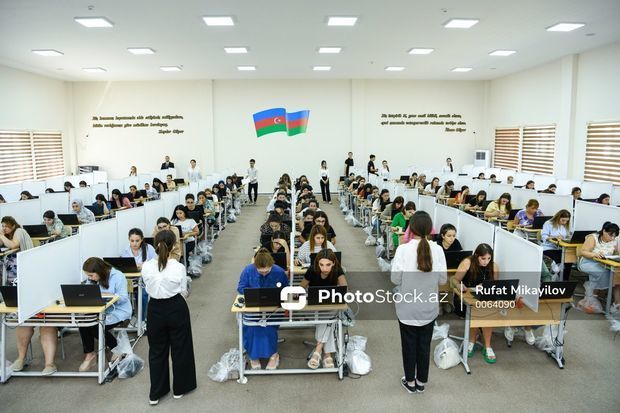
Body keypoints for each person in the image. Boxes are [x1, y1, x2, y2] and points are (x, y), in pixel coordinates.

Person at [391, 211, 447, 393]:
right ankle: (421, 381)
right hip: (429, 307)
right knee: (424, 345)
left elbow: (395, 279)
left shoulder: (403, 249)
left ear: (411, 228)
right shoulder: (438, 250)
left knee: (409, 345)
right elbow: (442, 280)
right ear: (430, 229)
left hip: (407, 308)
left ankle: (410, 382)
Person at [142, 230, 196, 404]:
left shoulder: (146, 266)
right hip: (176, 307)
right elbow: (184, 291)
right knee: (181, 348)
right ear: (173, 246)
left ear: (155, 245)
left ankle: (156, 393)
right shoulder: (178, 267)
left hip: (155, 309)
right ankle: (180, 388)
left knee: (157, 350)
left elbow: (146, 287)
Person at [237, 248, 289, 370]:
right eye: (261, 272)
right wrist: (253, 293)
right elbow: (240, 287)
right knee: (251, 327)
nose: (264, 274)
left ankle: (273, 355)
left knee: (268, 327)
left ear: (271, 265)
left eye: (267, 271)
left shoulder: (279, 271)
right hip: (253, 307)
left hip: (273, 309)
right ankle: (253, 356)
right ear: (255, 266)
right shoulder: (248, 270)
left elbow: (286, 289)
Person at [77, 257, 132, 372]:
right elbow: (88, 293)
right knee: (83, 321)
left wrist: (108, 296)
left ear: (100, 271)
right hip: (100, 311)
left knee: (95, 325)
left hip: (118, 311)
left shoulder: (118, 276)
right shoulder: (92, 279)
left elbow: (123, 298)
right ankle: (90, 354)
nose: (89, 278)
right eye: (88, 275)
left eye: (91, 275)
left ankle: (115, 349)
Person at [451, 244, 500, 363]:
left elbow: (495, 285)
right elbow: (454, 279)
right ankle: (472, 341)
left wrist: (487, 287)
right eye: (483, 258)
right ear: (476, 256)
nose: (486, 262)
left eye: (489, 258)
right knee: (477, 310)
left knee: (487, 310)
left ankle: (487, 346)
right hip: (465, 298)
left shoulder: (493, 266)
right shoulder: (467, 262)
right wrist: (459, 285)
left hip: (484, 298)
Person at [300, 249, 347, 369]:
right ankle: (327, 354)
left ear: (333, 263)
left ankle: (318, 351)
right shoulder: (312, 270)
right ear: (317, 264)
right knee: (330, 320)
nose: (324, 268)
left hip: (329, 308)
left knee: (329, 317)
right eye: (321, 265)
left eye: (328, 265)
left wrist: (339, 294)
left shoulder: (337, 270)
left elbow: (344, 288)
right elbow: (301, 288)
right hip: (313, 309)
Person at [578, 222, 620, 312]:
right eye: (611, 235)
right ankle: (593, 295)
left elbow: (616, 253)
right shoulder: (593, 238)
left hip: (604, 264)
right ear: (604, 231)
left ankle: (616, 304)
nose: (613, 238)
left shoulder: (614, 240)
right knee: (604, 272)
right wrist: (594, 254)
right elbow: (583, 252)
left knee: (616, 274)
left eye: (615, 236)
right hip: (588, 262)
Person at [0, 216, 34, 284]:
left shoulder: (19, 231)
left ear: (13, 226)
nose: (4, 228)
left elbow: (13, 245)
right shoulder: (7, 234)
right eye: (3, 226)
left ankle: (10, 285)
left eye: (6, 226)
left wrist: (1, 236)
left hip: (22, 258)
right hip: (10, 257)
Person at [541, 210, 573, 280]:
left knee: (568, 260)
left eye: (566, 221)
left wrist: (569, 237)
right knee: (559, 260)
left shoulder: (565, 225)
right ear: (558, 217)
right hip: (548, 248)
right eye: (563, 220)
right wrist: (554, 237)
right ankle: (557, 279)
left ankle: (564, 280)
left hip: (560, 248)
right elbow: (544, 236)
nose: (564, 222)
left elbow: (567, 235)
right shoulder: (548, 223)